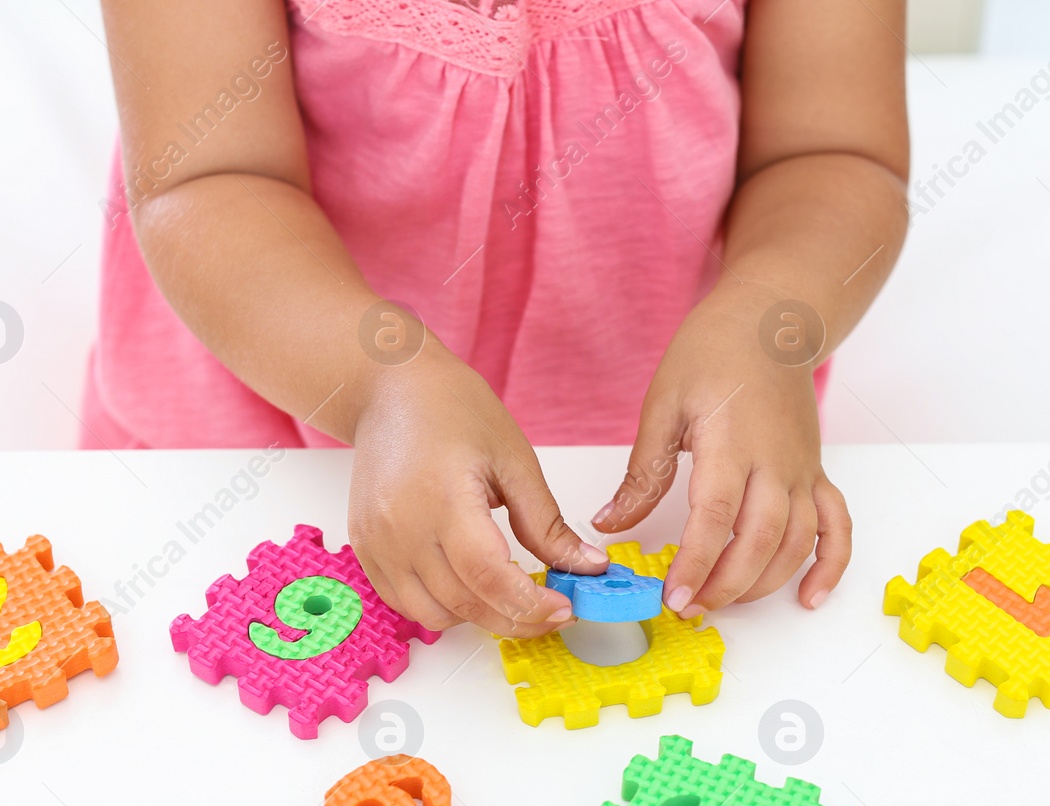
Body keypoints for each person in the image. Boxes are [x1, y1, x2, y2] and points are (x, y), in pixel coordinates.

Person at [90, 0, 908, 637]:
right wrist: (379, 386)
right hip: (274, 434)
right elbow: (207, 176)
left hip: (684, 461)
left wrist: (772, 327)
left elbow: (833, 152)